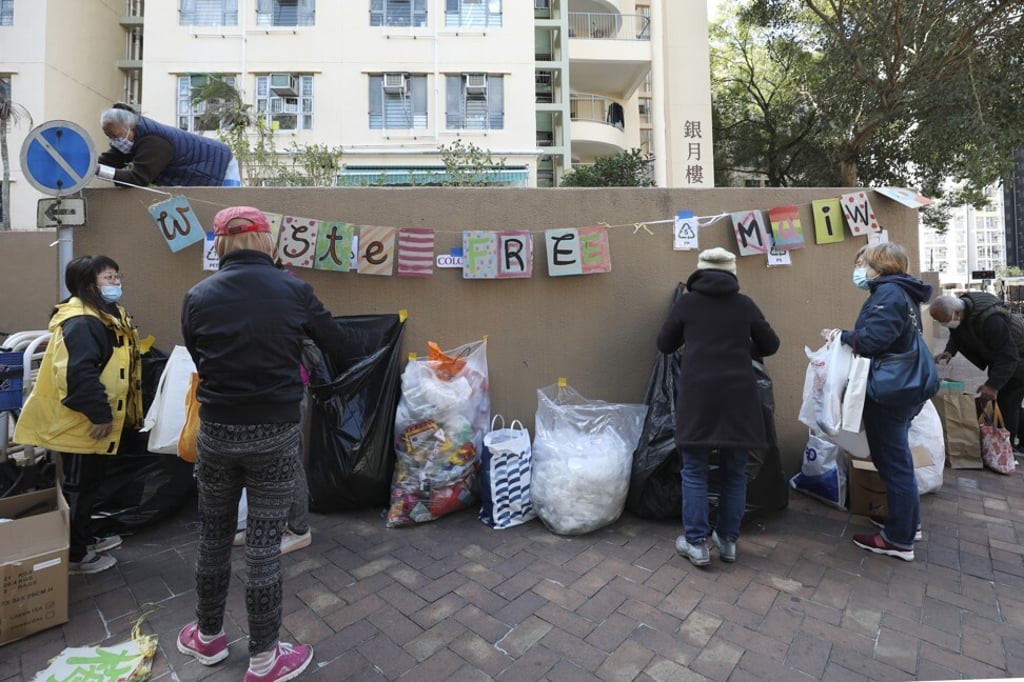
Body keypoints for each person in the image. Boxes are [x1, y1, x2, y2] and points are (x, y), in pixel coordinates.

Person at [177, 206, 345, 682]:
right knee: (264, 546)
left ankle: (207, 637)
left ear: (220, 243)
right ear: (266, 240)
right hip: (274, 430)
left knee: (213, 536)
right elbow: (335, 341)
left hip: (217, 430)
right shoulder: (293, 290)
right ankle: (265, 660)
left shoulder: (197, 295)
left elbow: (196, 349)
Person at [14, 256, 144, 575]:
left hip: (92, 422)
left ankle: (86, 538)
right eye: (108, 278)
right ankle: (76, 556)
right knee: (80, 488)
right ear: (89, 286)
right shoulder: (83, 322)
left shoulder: (104, 316)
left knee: (89, 485)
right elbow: (77, 375)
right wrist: (100, 415)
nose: (116, 283)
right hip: (82, 423)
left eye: (117, 276)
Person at [657, 247, 780, 567]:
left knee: (695, 471)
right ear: (732, 272)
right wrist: (740, 348)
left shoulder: (688, 302)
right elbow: (771, 344)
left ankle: (696, 543)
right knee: (735, 473)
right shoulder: (745, 304)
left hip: (699, 398)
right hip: (740, 398)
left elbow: (664, 344)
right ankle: (728, 542)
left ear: (699, 271)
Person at [823, 242, 932, 562]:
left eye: (862, 263)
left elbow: (871, 341)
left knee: (893, 461)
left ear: (879, 265)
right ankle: (907, 523)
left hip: (891, 391)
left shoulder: (889, 294)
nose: (858, 270)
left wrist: (840, 336)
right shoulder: (902, 293)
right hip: (904, 387)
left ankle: (899, 539)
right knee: (894, 459)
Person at [930, 291, 1024, 451]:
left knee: (1008, 402)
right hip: (999, 358)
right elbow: (956, 334)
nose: (944, 324)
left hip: (1018, 358)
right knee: (1003, 403)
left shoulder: (992, 320)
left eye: (944, 321)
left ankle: (1007, 448)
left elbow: (1008, 356)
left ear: (958, 313)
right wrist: (949, 351)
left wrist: (993, 385)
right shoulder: (960, 315)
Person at [96, 103, 240, 187]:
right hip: (197, 172)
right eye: (109, 137)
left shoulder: (153, 142)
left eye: (115, 136)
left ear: (131, 127)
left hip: (219, 164)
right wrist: (86, 167)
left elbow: (137, 179)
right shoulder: (131, 137)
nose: (114, 141)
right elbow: (107, 161)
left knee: (221, 219)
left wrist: (98, 171)